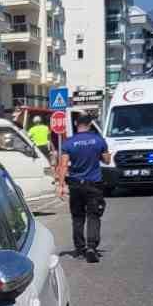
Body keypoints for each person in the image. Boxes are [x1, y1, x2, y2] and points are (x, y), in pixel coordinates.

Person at [55, 112, 111, 261]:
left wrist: (60, 185)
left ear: (76, 124)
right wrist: (100, 155)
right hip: (94, 184)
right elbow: (106, 160)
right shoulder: (99, 140)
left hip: (75, 184)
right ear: (90, 124)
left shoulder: (69, 143)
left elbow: (63, 165)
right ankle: (92, 246)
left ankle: (80, 248)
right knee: (94, 215)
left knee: (78, 216)